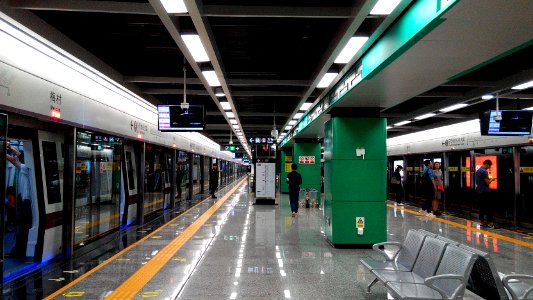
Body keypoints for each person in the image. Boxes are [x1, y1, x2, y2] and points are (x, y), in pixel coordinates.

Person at [475, 159, 496, 228]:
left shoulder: (478, 171)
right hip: (485, 192)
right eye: (489, 166)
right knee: (489, 208)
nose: (489, 168)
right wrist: (492, 179)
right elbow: (487, 182)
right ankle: (490, 223)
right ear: (487, 164)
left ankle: (481, 222)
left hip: (479, 191)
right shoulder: (484, 171)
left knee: (481, 207)